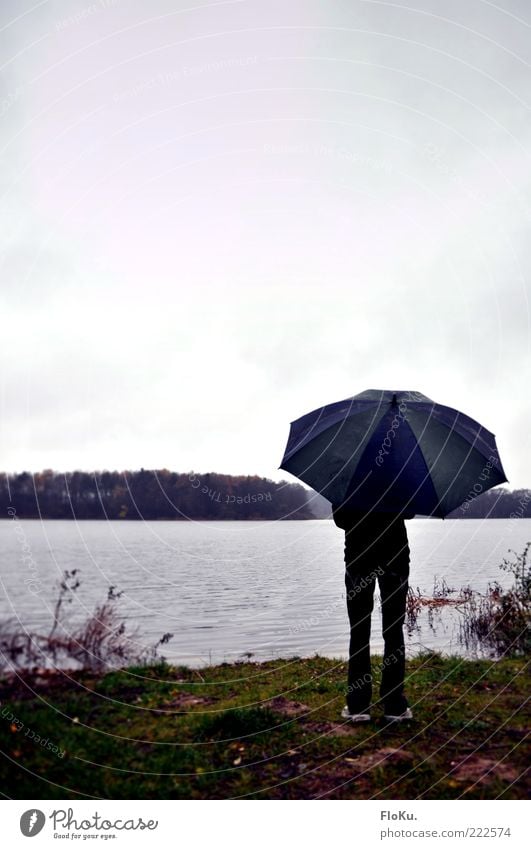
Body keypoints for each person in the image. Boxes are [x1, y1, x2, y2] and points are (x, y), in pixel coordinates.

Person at [332, 500, 414, 723]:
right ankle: (394, 705)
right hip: (395, 556)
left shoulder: (348, 475)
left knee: (359, 631)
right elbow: (410, 511)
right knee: (394, 630)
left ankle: (358, 706)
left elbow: (340, 519)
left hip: (359, 557)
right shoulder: (400, 472)